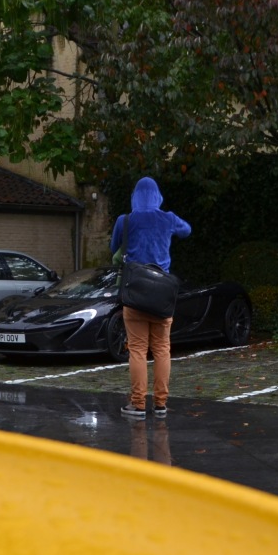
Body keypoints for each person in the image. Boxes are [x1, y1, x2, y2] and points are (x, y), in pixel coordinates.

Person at [109, 176, 192, 418]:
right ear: (157, 196)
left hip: (134, 292)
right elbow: (187, 230)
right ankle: (160, 404)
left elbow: (114, 248)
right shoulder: (167, 218)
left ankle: (137, 404)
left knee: (137, 349)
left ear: (134, 196)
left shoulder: (125, 220)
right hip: (162, 295)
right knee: (162, 349)